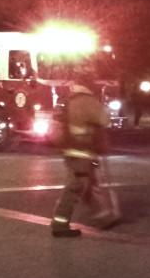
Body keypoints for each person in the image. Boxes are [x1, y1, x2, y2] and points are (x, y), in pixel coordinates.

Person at [50, 80, 119, 238]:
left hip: (70, 150)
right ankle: (60, 225)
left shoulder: (70, 100)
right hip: (82, 152)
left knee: (88, 185)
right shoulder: (88, 101)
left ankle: (103, 217)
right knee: (75, 186)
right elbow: (104, 120)